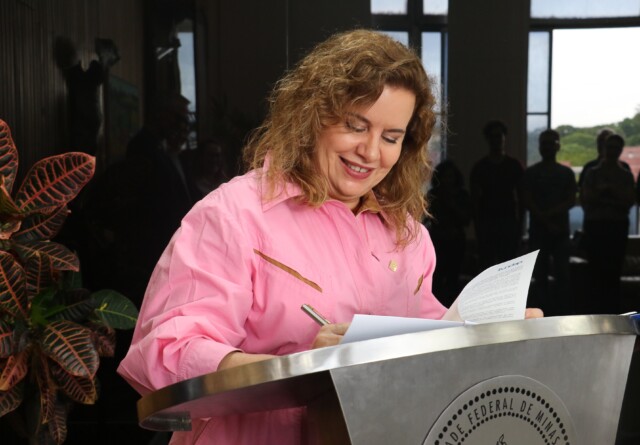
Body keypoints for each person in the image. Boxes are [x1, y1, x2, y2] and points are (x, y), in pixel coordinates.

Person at [117, 29, 541, 445]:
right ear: (312, 116)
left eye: (391, 137)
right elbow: (167, 351)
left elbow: (427, 338)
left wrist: (489, 336)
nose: (370, 152)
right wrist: (303, 371)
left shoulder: (407, 234)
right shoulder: (234, 214)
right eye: (355, 126)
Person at [522, 129, 577, 316]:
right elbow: (527, 200)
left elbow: (571, 200)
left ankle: (561, 315)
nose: (547, 147)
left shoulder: (566, 173)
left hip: (559, 233)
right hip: (539, 232)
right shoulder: (531, 173)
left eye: (551, 143)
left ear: (558, 146)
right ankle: (542, 315)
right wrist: (547, 219)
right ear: (539, 147)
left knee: (563, 277)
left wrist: (547, 216)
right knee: (540, 277)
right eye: (544, 143)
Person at [581, 133, 635, 315]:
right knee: (595, 272)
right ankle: (595, 313)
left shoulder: (625, 174)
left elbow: (628, 201)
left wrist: (605, 192)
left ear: (620, 150)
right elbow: (587, 199)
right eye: (609, 147)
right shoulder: (592, 172)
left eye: (615, 148)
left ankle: (612, 313)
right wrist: (613, 196)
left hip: (615, 228)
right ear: (603, 148)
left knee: (613, 272)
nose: (612, 151)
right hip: (596, 227)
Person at [470, 120, 525, 270]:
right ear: (488, 139)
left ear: (504, 138)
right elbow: (474, 201)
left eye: (499, 136)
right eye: (493, 136)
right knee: (490, 267)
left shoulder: (513, 166)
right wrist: (478, 227)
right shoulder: (481, 168)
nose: (497, 140)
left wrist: (519, 227)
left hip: (507, 223)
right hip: (489, 224)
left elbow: (522, 199)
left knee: (506, 268)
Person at [424, 159, 473, 306]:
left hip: (455, 240)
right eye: (444, 176)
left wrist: (451, 204)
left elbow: (466, 219)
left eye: (450, 176)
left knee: (453, 277)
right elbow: (427, 217)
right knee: (436, 278)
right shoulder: (433, 195)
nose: (447, 180)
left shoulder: (461, 195)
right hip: (437, 240)